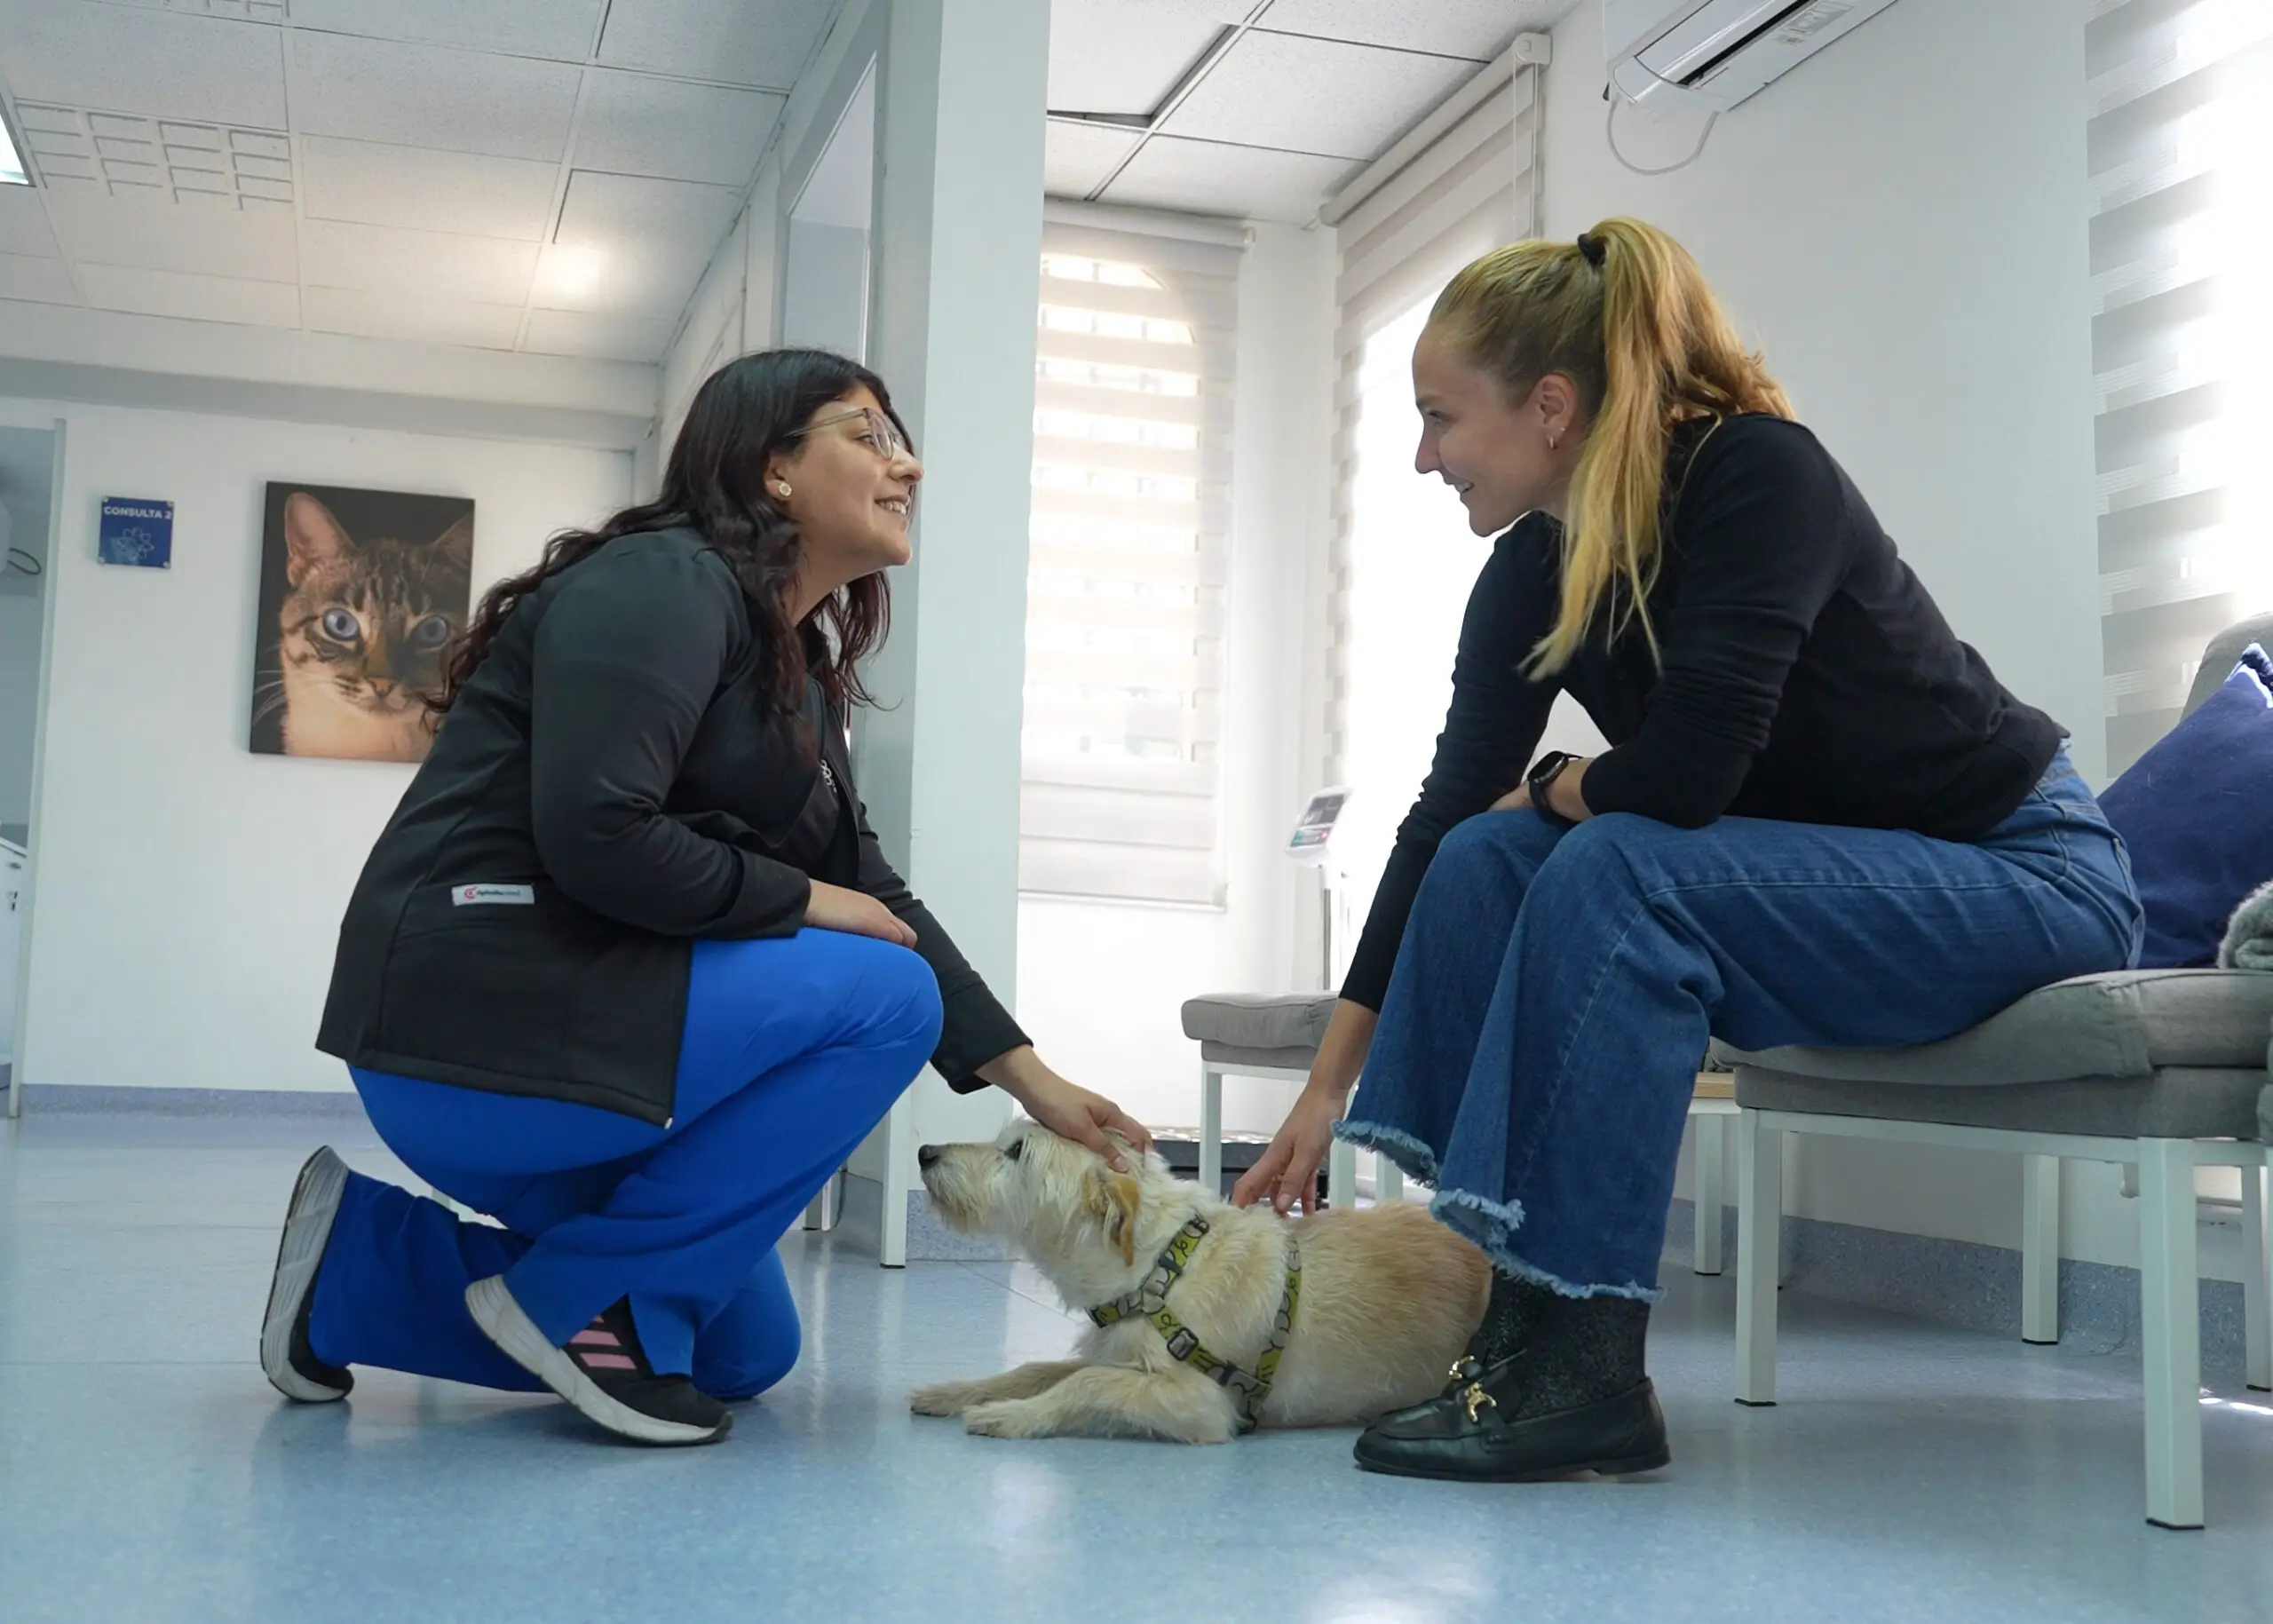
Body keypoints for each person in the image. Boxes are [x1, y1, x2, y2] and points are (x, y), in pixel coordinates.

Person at [1232, 218, 2142, 1483]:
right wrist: (1323, 1092)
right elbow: (1445, 815)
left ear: (1551, 407)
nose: (1423, 455)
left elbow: (1686, 777)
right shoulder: (1536, 565)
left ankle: (1584, 1367)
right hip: (1839, 880)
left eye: (1440, 417)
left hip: (2025, 872)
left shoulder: (1757, 475)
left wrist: (1554, 784)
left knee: (1615, 863)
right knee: (1486, 858)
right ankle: (1504, 1315)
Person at [261, 349, 1149, 1448]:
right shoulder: (661, 581)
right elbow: (599, 832)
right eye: (868, 435)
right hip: (472, 1020)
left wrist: (1032, 1079)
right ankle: (590, 1304)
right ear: (774, 467)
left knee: (738, 1349)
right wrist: (804, 898)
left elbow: (870, 885)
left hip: (573, 1025)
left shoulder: (790, 665)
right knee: (888, 995)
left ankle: (356, 1270)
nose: (907, 464)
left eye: (901, 441)